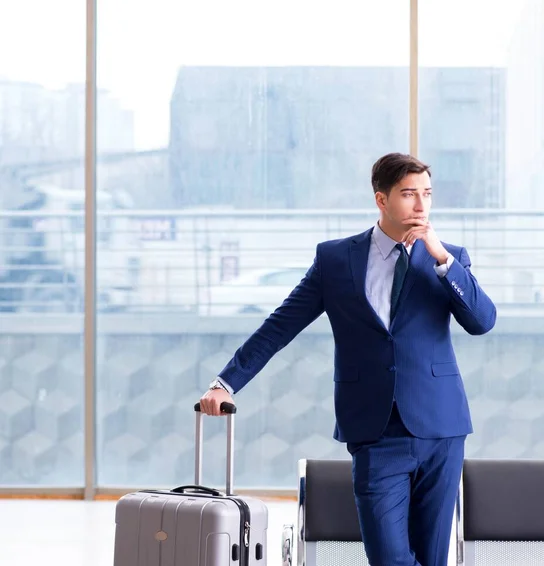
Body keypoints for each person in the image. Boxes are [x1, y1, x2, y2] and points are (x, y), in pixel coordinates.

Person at [200, 152, 497, 566]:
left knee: (433, 557)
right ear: (382, 199)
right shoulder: (336, 260)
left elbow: (482, 321)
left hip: (441, 428)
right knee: (389, 558)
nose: (421, 205)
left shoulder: (449, 257)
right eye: (409, 194)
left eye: (427, 194)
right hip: (374, 432)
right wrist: (226, 382)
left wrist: (443, 260)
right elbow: (280, 325)